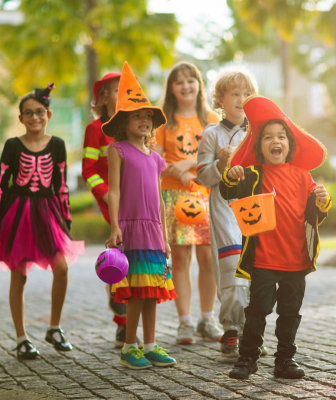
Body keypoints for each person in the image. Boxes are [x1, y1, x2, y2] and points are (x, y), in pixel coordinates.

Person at [220, 95, 331, 379]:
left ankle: (284, 360)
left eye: (281, 136)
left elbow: (313, 215)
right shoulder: (252, 175)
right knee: (257, 312)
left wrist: (321, 201)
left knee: (290, 313)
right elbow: (228, 192)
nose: (275, 141)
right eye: (268, 137)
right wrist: (232, 176)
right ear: (260, 147)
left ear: (290, 144)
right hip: (264, 261)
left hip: (296, 260)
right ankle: (247, 359)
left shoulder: (303, 176)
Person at [0, 84, 84, 359]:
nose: (34, 117)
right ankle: (22, 337)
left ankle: (54, 328)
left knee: (61, 268)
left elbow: (61, 186)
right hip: (17, 213)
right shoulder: (12, 145)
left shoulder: (58, 145)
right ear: (20, 118)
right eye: (28, 113)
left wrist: (66, 222)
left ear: (48, 114)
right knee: (19, 274)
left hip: (48, 213)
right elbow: (0, 184)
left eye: (39, 112)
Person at [103, 61, 177, 370]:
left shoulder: (156, 158)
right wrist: (116, 226)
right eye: (137, 117)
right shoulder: (117, 150)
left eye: (147, 117)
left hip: (153, 232)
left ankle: (149, 344)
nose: (144, 121)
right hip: (131, 230)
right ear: (124, 122)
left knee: (152, 291)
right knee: (135, 291)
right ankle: (129, 345)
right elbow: (114, 191)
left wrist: (165, 235)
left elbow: (160, 198)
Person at [197, 67, 269, 357]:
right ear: (220, 100)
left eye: (246, 93)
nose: (241, 99)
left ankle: (250, 334)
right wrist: (220, 163)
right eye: (234, 94)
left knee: (257, 272)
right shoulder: (212, 134)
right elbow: (202, 177)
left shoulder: (260, 132)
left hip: (257, 208)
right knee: (232, 270)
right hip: (225, 209)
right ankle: (230, 331)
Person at [155, 61, 222, 345]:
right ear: (172, 88)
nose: (186, 86)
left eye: (190, 80)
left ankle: (208, 319)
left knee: (208, 259)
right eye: (179, 81)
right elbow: (155, 161)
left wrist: (187, 163)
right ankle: (185, 322)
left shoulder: (210, 119)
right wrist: (177, 170)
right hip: (173, 196)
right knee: (180, 258)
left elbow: (219, 155)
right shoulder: (162, 121)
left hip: (205, 194)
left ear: (199, 85)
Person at [82, 72, 133, 348]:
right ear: (103, 97)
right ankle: (122, 322)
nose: (120, 93)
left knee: (136, 258)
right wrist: (106, 196)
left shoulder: (135, 125)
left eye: (124, 89)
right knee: (122, 254)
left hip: (137, 201)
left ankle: (129, 322)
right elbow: (88, 170)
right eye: (115, 89)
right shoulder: (94, 130)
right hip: (110, 202)